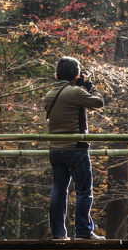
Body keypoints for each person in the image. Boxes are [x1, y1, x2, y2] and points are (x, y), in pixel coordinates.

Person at [44, 56, 105, 240]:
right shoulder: (74, 92)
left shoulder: (49, 95)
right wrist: (88, 84)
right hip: (75, 148)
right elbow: (98, 102)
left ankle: (58, 234)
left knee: (59, 191)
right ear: (76, 74)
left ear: (57, 75)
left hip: (55, 149)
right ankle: (83, 231)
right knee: (84, 190)